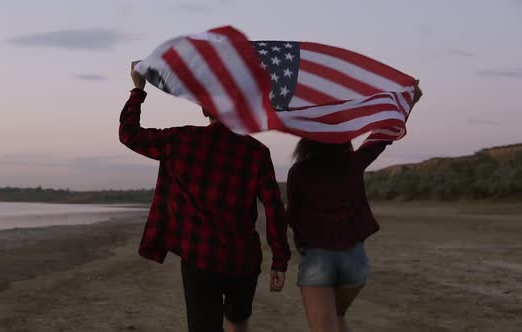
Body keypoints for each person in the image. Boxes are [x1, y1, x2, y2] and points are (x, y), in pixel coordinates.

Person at [119, 61, 291, 332]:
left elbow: (129, 135)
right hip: (243, 260)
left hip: (200, 257)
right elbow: (274, 209)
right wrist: (280, 261)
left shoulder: (182, 140)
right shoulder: (256, 152)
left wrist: (138, 89)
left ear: (203, 108)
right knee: (236, 320)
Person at [286, 85, 423, 332]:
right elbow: (382, 136)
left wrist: (301, 245)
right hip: (355, 260)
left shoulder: (298, 173)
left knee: (324, 325)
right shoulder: (353, 164)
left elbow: (293, 216)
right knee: (337, 316)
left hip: (317, 257)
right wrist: (408, 102)